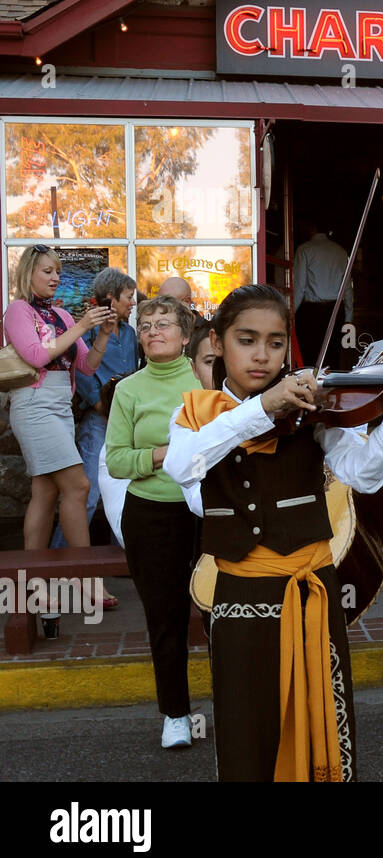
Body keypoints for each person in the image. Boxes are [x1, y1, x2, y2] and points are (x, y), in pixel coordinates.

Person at [163, 284, 383, 781]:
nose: (261, 355)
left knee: (321, 727)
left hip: (311, 591)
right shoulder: (195, 413)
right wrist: (263, 407)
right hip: (240, 595)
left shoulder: (313, 407)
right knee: (246, 729)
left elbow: (363, 475)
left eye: (275, 343)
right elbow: (185, 467)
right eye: (247, 340)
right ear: (217, 341)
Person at [106, 295, 204, 749]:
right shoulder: (128, 390)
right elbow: (118, 461)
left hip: (206, 511)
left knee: (222, 612)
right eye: (145, 325)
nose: (153, 331)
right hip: (150, 514)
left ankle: (240, 702)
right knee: (165, 617)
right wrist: (166, 453)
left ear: (186, 336)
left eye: (164, 323)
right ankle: (176, 715)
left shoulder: (204, 378)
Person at [3, 246, 113, 554]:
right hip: (34, 405)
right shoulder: (18, 310)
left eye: (58, 272)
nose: (55, 278)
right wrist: (81, 326)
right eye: (47, 271)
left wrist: (102, 334)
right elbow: (36, 356)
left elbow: (87, 366)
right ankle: (85, 577)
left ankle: (33, 579)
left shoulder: (62, 315)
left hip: (61, 407)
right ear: (29, 273)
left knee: (46, 492)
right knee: (78, 486)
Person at [51, 268, 140, 550]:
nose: (133, 302)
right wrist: (99, 403)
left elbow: (134, 372)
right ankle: (62, 560)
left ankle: (123, 557)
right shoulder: (85, 334)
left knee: (125, 489)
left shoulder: (129, 334)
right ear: (111, 299)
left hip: (127, 418)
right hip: (99, 419)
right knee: (86, 492)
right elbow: (84, 372)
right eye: (129, 296)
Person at [292, 217, 353, 370]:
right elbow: (347, 287)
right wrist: (348, 318)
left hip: (311, 312)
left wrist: (290, 314)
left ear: (311, 228)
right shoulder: (340, 251)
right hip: (335, 310)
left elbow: (299, 287)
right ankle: (332, 391)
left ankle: (311, 391)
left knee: (310, 357)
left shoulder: (305, 249)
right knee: (332, 356)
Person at [186, 315, 216, 390]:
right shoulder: (190, 402)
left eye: (227, 360)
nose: (219, 370)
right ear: (195, 369)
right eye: (210, 361)